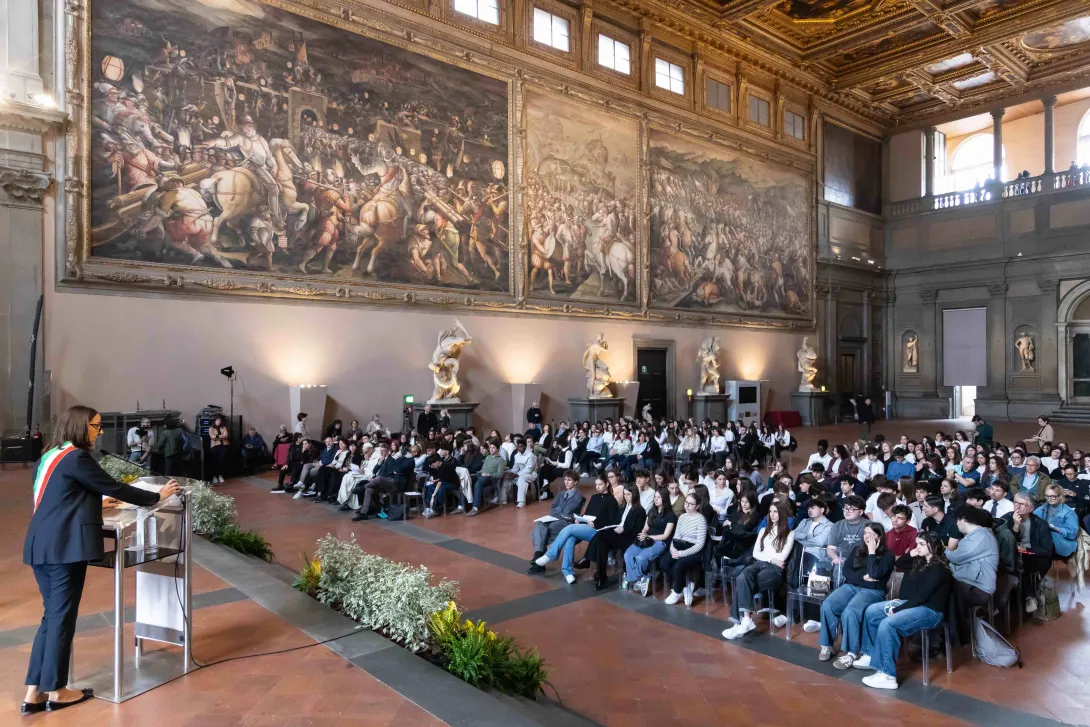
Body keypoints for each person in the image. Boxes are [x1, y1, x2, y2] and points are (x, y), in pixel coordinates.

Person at [22, 406, 181, 714]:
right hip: (63, 549)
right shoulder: (77, 458)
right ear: (81, 427)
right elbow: (115, 486)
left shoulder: (49, 456)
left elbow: (60, 497)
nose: (100, 431)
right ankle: (56, 690)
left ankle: (33, 693)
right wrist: (156, 497)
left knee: (50, 617)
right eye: (95, 426)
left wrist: (94, 500)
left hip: (40, 545)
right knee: (60, 619)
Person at [854, 532, 953, 690]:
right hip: (912, 604)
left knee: (888, 624)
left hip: (930, 610)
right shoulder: (919, 561)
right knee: (871, 611)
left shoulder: (939, 568)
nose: (917, 547)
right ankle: (871, 655)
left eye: (921, 544)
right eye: (916, 543)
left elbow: (923, 596)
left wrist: (899, 608)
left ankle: (887, 675)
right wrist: (912, 553)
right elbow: (899, 563)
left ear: (932, 546)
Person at [821, 522, 894, 667]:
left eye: (872, 534)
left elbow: (876, 574)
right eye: (866, 532)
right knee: (828, 605)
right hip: (851, 586)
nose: (868, 536)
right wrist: (863, 577)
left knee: (851, 611)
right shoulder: (856, 550)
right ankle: (827, 645)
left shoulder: (888, 555)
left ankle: (851, 653)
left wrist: (872, 552)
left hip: (873, 591)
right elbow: (847, 572)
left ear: (879, 537)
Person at [723, 502, 795, 638]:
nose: (772, 515)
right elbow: (756, 553)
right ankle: (745, 620)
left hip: (774, 571)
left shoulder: (789, 534)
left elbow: (783, 556)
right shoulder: (763, 531)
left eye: (775, 512)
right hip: (759, 564)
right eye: (770, 512)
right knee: (742, 577)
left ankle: (739, 623)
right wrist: (772, 559)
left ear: (782, 514)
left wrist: (771, 559)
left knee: (742, 583)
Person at [534, 475, 618, 583]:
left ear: (606, 484)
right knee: (570, 538)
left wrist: (595, 523)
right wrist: (580, 519)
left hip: (599, 531)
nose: (597, 487)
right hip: (587, 526)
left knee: (569, 528)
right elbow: (588, 514)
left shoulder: (612, 501)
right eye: (596, 484)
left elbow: (611, 521)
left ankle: (550, 555)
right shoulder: (594, 497)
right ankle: (568, 572)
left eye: (600, 484)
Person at [946, 506, 999, 639]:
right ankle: (947, 635)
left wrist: (941, 548)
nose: (956, 525)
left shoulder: (981, 536)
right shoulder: (971, 537)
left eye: (957, 521)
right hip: (967, 583)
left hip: (978, 588)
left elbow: (955, 557)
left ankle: (953, 635)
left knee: (942, 592)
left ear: (963, 520)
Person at [587, 484, 646, 590]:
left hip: (628, 538)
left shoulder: (640, 511)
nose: (626, 497)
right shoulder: (623, 507)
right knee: (602, 544)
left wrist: (624, 529)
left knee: (601, 535)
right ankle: (601, 578)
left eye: (628, 494)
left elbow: (637, 530)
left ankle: (588, 559)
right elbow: (615, 521)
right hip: (617, 535)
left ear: (635, 495)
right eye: (625, 494)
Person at [1006, 492, 1054, 612]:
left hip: (1034, 555)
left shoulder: (1040, 524)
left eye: (1022, 504)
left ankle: (1028, 597)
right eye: (1015, 503)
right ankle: (1028, 597)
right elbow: (1006, 543)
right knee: (1017, 561)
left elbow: (1046, 550)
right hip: (1012, 554)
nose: (1017, 506)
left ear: (1031, 508)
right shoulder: (1007, 518)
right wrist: (1016, 527)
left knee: (1024, 562)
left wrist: (1024, 550)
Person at [625, 488, 677, 596]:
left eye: (658, 497)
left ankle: (639, 579)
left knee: (641, 558)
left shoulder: (670, 516)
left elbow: (665, 535)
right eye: (655, 497)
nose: (656, 499)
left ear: (665, 499)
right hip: (646, 539)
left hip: (659, 542)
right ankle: (642, 578)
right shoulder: (651, 511)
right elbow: (646, 527)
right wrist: (644, 533)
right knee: (628, 555)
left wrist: (649, 537)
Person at [527, 472, 586, 568]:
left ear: (576, 482)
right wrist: (560, 511)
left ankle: (538, 563)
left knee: (539, 533)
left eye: (569, 480)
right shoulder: (561, 493)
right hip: (556, 518)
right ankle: (538, 555)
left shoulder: (578, 496)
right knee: (539, 524)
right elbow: (552, 509)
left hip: (568, 522)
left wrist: (559, 509)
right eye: (565, 480)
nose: (566, 482)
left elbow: (567, 513)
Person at [659, 493, 709, 606]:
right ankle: (684, 585)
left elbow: (699, 544)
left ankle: (677, 591)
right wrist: (673, 550)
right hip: (679, 546)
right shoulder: (682, 517)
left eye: (691, 504)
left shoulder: (701, 520)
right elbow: (676, 537)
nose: (687, 506)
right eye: (686, 502)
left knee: (678, 565)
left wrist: (681, 553)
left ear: (697, 506)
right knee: (664, 562)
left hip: (694, 550)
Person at [1034, 483, 1078, 559]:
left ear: (1060, 496)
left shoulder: (1068, 512)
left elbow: (1072, 533)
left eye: (1053, 496)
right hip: (1044, 539)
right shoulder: (1041, 509)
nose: (1049, 499)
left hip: (1062, 541)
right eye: (1047, 496)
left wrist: (1055, 528)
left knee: (1043, 545)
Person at [467, 442, 507, 515]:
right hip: (481, 475)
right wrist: (478, 473)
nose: (491, 449)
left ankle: (475, 508)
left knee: (478, 484)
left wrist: (489, 474)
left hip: (491, 479)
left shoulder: (500, 460)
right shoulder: (488, 457)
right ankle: (462, 505)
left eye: (493, 448)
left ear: (497, 449)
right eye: (490, 447)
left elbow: (500, 474)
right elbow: (483, 469)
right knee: (467, 480)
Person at [505, 438, 539, 508]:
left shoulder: (530, 455)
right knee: (506, 475)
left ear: (525, 447)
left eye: (521, 447)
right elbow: (515, 467)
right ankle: (505, 499)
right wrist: (511, 473)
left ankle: (521, 502)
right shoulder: (517, 455)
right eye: (518, 447)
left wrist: (516, 474)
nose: (519, 448)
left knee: (521, 478)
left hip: (532, 474)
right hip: (521, 473)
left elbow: (528, 469)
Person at [207, 415, 230, 484]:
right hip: (215, 446)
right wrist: (221, 436)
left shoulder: (224, 427)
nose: (218, 422)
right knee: (215, 461)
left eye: (219, 420)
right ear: (215, 421)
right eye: (217, 420)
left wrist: (217, 436)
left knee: (222, 460)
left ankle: (220, 475)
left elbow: (226, 435)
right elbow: (212, 437)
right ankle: (214, 476)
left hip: (223, 446)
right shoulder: (211, 428)